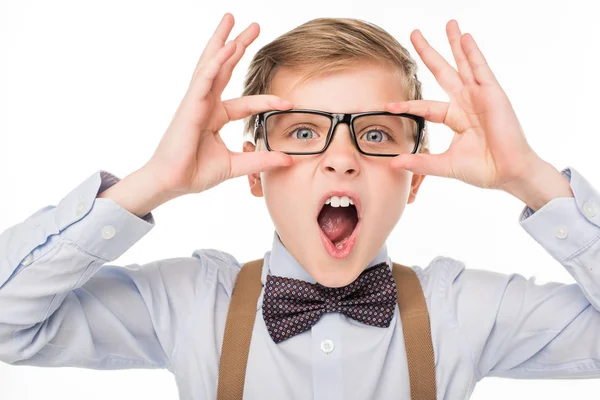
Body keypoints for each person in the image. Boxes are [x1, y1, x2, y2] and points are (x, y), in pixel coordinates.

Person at [1, 11, 599, 400]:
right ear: (254, 173)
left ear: (415, 180)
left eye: (377, 134)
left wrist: (532, 180)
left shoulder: (463, 310)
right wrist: (151, 183)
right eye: (306, 133)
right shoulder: (188, 304)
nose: (341, 159)